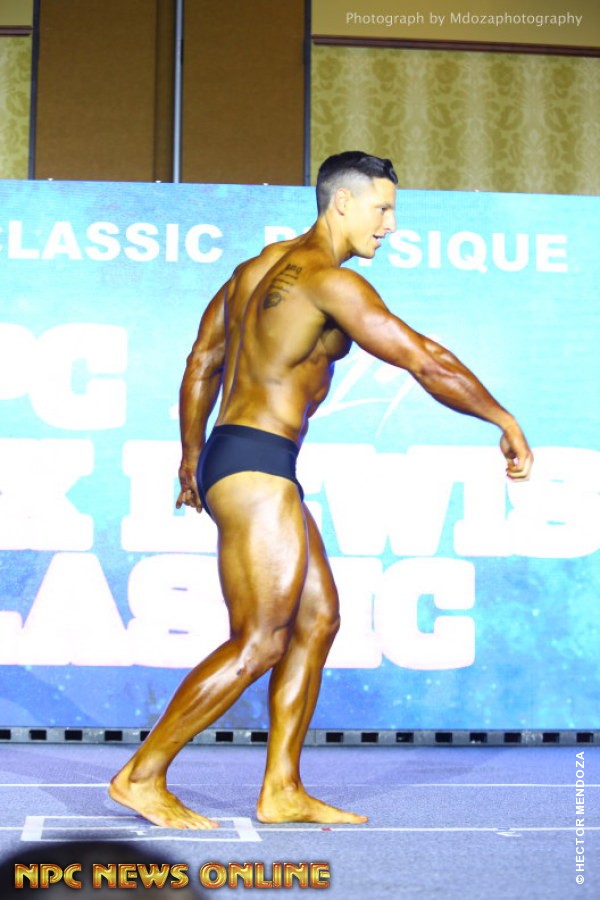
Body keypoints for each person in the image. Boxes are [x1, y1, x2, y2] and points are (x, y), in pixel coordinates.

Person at [110, 151, 533, 830]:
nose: (390, 225)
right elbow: (424, 359)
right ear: (342, 202)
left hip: (239, 455)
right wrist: (502, 419)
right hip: (257, 464)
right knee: (259, 640)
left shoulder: (252, 271)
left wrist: (192, 456)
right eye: (382, 209)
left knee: (317, 619)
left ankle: (282, 789)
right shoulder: (329, 280)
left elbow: (203, 360)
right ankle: (142, 775)